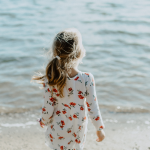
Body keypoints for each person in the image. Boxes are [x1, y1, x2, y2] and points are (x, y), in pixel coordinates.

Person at [31, 28, 105, 150]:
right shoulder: (87, 79)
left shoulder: (50, 79)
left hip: (57, 130)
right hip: (78, 131)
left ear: (55, 52)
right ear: (79, 52)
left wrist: (43, 121)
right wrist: (99, 128)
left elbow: (48, 109)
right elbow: (93, 107)